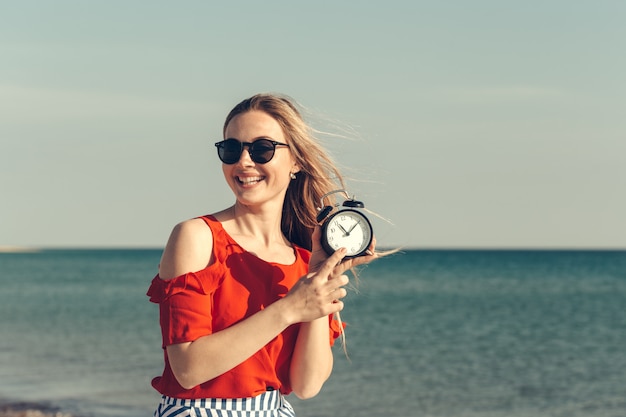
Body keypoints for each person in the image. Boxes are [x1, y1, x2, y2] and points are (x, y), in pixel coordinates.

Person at [147, 93, 378, 417]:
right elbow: (188, 368)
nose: (243, 161)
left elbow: (307, 385)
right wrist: (288, 309)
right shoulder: (197, 237)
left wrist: (317, 281)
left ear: (296, 160)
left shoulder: (302, 262)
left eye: (261, 149)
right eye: (231, 149)